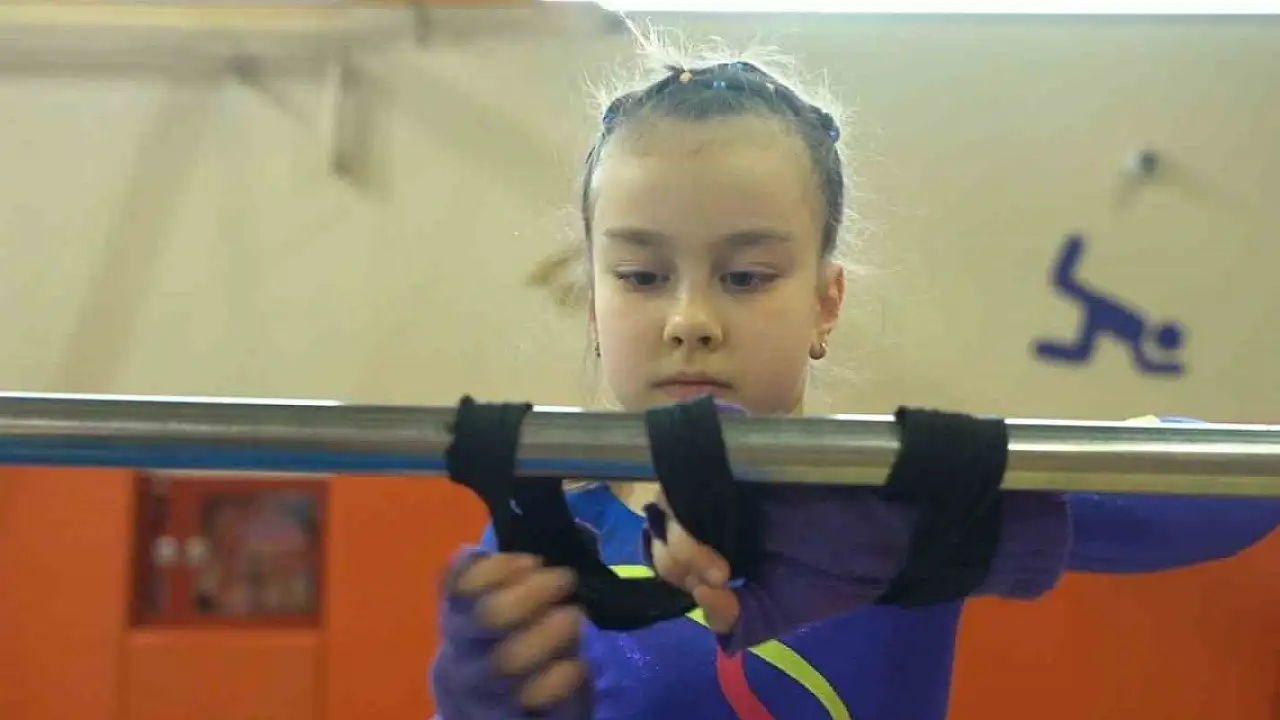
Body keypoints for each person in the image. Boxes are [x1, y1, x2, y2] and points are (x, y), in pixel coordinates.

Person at [429, 37, 1280, 720]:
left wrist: (937, 515)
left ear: (823, 304)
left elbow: (1246, 486)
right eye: (643, 276)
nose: (690, 319)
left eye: (746, 276)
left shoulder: (882, 502)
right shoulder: (540, 545)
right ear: (593, 302)